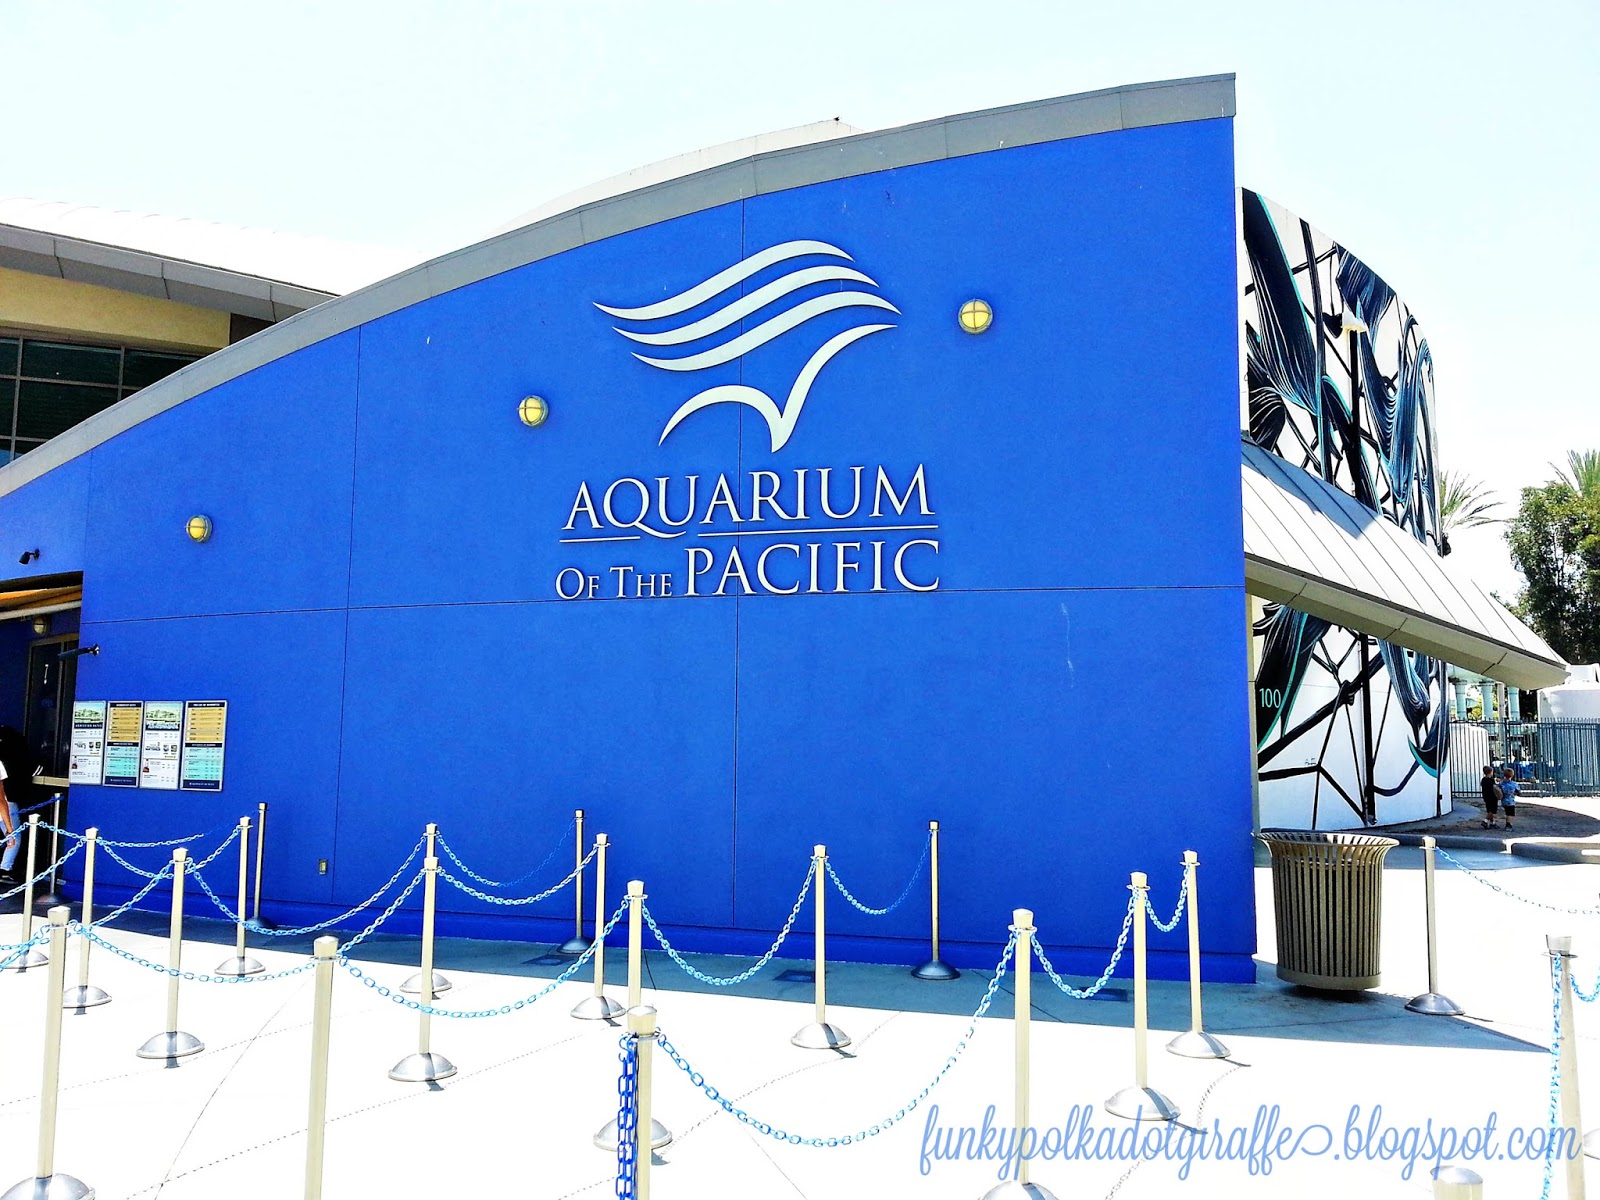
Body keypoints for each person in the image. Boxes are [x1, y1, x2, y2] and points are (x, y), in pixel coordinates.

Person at [1479, 764, 1501, 830]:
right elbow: (1496, 786)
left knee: (1489, 809)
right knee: (1492, 811)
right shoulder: (1491, 781)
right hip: (1492, 797)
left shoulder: (1483, 780)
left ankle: (1492, 823)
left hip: (1486, 796)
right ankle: (1485, 821)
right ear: (1490, 772)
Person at [1500, 765, 1520, 832]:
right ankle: (1509, 825)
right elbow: (1518, 792)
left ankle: (1507, 823)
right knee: (1510, 814)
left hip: (1504, 800)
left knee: (1507, 812)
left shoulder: (1502, 783)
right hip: (1511, 800)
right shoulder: (1514, 784)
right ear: (1512, 775)